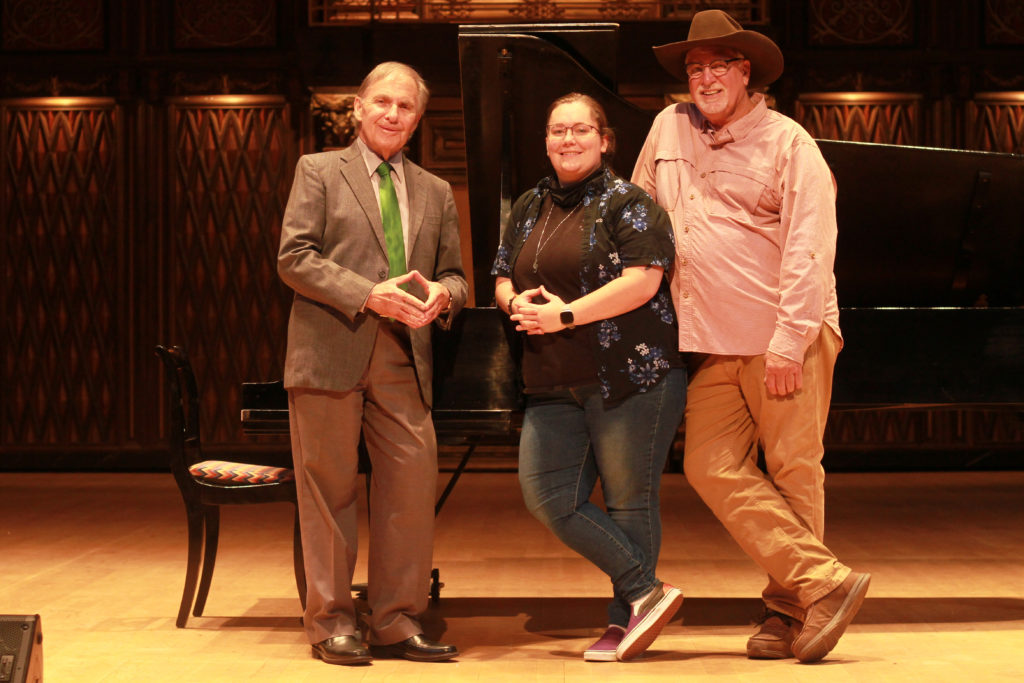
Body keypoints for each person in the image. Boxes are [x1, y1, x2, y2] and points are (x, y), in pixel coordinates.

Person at [631, 9, 870, 664]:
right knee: (708, 463)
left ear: (745, 72)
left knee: (793, 470)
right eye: (694, 68)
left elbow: (811, 247)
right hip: (712, 339)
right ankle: (824, 581)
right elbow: (638, 212)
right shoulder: (668, 126)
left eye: (718, 66)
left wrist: (791, 340)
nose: (705, 78)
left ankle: (788, 610)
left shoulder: (789, 143)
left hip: (782, 333)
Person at [277, 61, 467, 666]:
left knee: (410, 489)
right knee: (328, 492)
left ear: (418, 118)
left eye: (405, 106)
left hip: (405, 356)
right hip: (330, 349)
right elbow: (294, 257)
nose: (392, 113)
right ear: (358, 108)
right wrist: (367, 293)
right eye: (382, 101)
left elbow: (457, 276)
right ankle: (332, 622)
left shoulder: (435, 191)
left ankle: (396, 620)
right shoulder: (318, 170)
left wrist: (445, 296)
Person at [492, 92, 686, 662]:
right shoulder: (529, 204)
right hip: (550, 378)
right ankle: (645, 590)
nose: (568, 139)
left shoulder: (631, 203)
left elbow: (644, 281)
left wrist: (565, 315)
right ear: (546, 141)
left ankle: (624, 622)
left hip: (631, 376)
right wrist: (514, 302)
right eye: (558, 130)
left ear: (604, 140)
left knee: (629, 502)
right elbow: (501, 274)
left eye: (580, 130)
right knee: (549, 496)